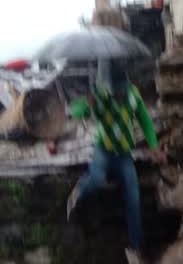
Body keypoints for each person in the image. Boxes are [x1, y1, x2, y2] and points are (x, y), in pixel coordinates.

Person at [67, 59, 162, 259]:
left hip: (124, 154)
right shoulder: (101, 96)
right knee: (96, 179)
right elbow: (75, 111)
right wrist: (85, 104)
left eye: (121, 92)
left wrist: (154, 146)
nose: (118, 96)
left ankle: (136, 245)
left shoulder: (133, 95)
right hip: (104, 150)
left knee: (133, 198)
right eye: (115, 92)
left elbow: (145, 121)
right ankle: (79, 191)